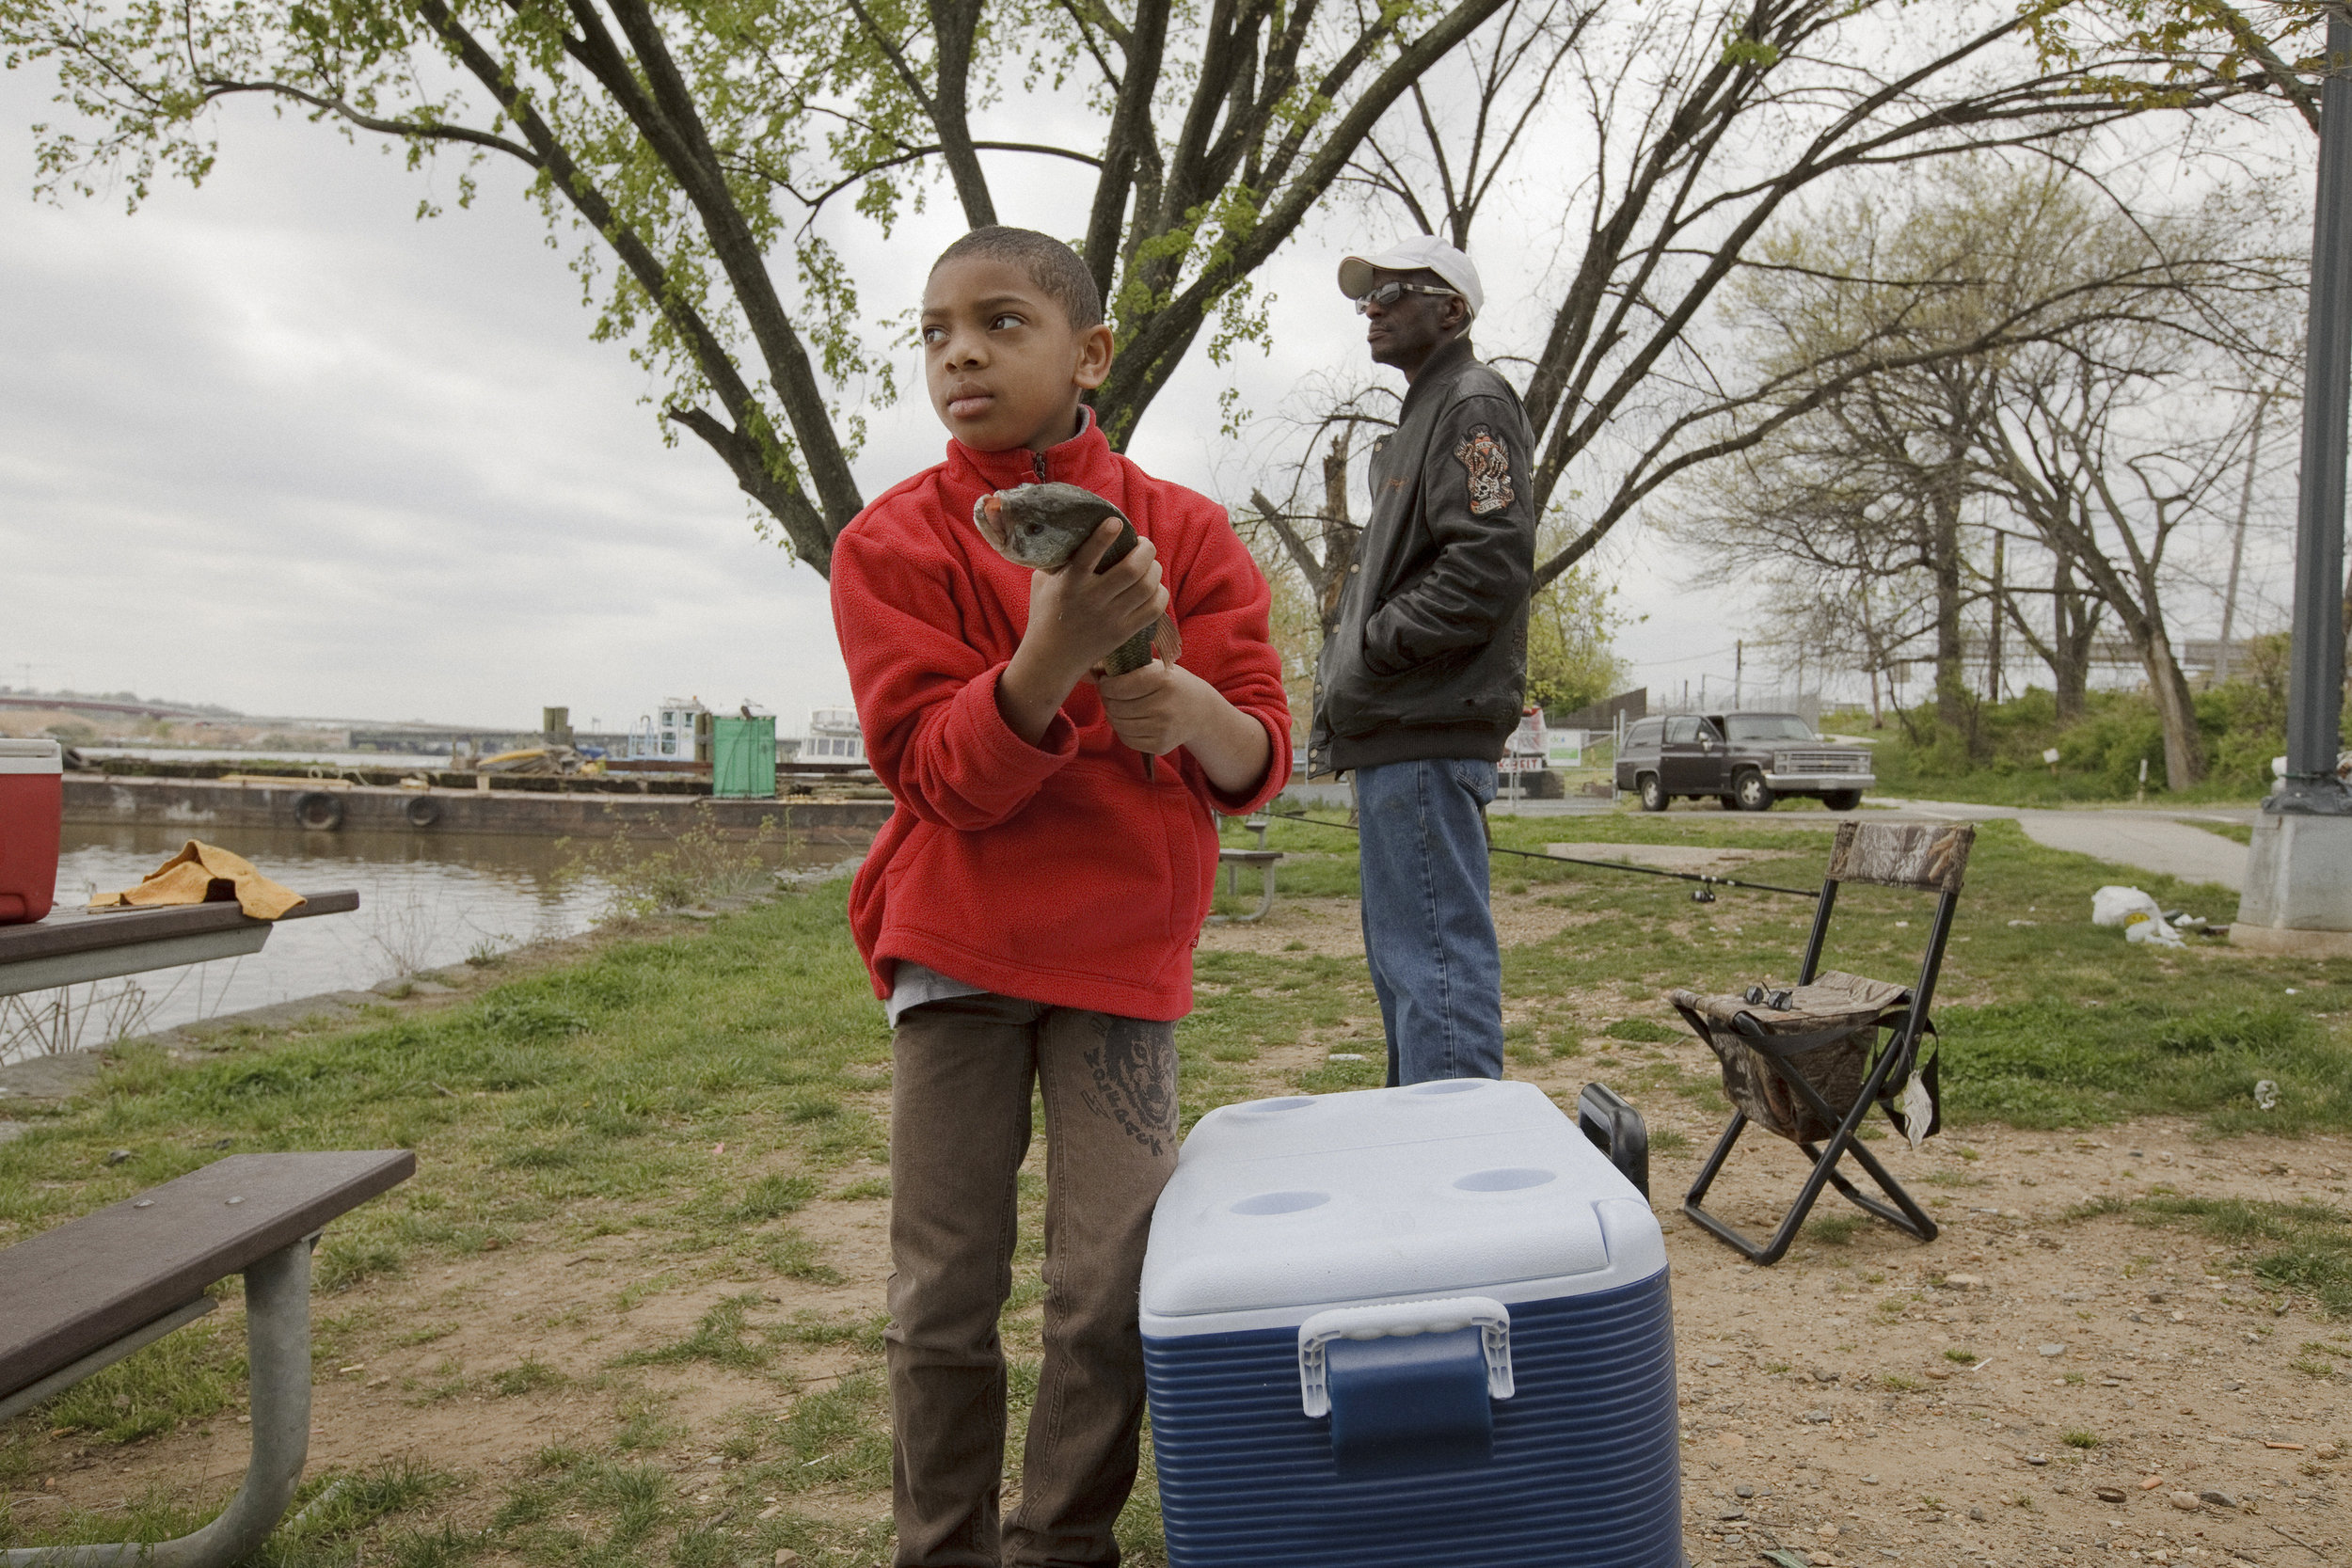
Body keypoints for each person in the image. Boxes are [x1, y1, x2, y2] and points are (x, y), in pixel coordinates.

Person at [829, 225, 1292, 1568]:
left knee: (1109, 1290)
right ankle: (943, 1544)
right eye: (933, 331)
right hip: (954, 950)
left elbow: (1259, 753)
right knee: (941, 1293)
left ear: (1089, 352)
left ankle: (1062, 1539)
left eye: (999, 321)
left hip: (1120, 960)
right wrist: (1047, 657)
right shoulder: (890, 545)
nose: (960, 349)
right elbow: (934, 775)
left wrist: (1192, 706)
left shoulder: (1190, 535)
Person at [1306, 235, 1537, 1086]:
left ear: (1453, 310)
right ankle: (1425, 1157)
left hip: (1424, 730)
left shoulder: (1471, 404)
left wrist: (1371, 645)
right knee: (1411, 969)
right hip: (1398, 733)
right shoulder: (1421, 416)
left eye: (1394, 290)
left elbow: (1488, 565)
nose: (1372, 306)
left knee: (1435, 968)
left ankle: (1459, 1171)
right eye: (1367, 295)